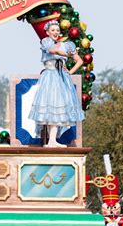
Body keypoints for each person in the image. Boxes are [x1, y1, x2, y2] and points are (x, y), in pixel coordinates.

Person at [29, 19, 85, 147]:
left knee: (59, 106)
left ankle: (52, 140)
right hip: (50, 76)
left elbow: (79, 61)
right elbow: (53, 50)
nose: (55, 32)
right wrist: (61, 51)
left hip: (61, 77)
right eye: (53, 30)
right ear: (48, 32)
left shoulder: (67, 45)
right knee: (50, 106)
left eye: (57, 30)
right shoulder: (46, 42)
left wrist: (70, 71)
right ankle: (51, 140)